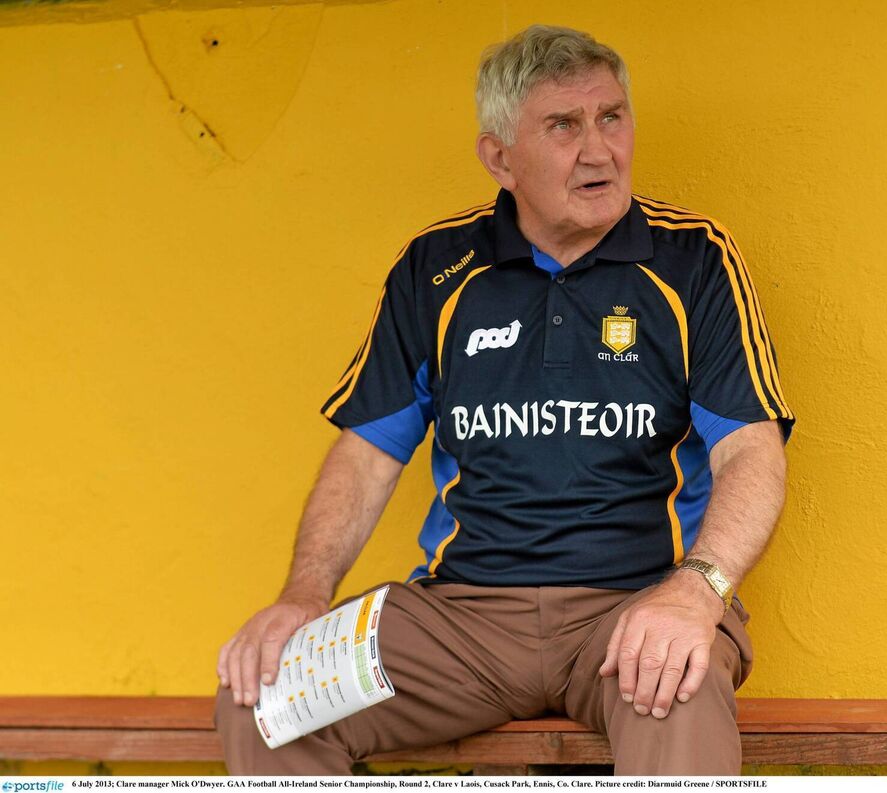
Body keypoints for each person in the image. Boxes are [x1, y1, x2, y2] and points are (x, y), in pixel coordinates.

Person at [214, 24, 792, 775]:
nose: (599, 150)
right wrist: (303, 593)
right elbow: (365, 454)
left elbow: (752, 447)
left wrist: (698, 589)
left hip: (635, 607)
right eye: (563, 125)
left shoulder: (694, 261)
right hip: (463, 618)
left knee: (678, 685)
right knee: (264, 697)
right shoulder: (437, 268)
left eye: (611, 117)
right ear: (499, 157)